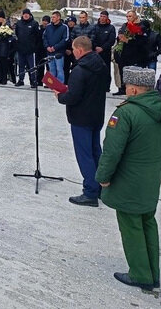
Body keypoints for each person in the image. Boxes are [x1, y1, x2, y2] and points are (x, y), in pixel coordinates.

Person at [95, 66, 161, 292]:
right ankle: (153, 272)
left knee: (131, 226)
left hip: (128, 180)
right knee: (148, 222)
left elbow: (112, 150)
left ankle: (141, 274)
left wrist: (103, 177)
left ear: (132, 89)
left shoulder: (126, 113)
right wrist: (160, 174)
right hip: (150, 180)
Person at [54, 36, 108, 206]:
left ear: (79, 50)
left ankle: (90, 192)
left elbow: (72, 97)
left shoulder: (80, 70)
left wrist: (60, 95)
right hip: (96, 114)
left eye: (73, 49)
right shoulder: (101, 65)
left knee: (84, 155)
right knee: (95, 151)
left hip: (81, 117)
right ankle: (100, 186)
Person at [15, 9, 40, 87]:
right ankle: (21, 80)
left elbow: (37, 36)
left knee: (31, 66)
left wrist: (34, 47)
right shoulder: (19, 23)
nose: (26, 15)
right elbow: (17, 34)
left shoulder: (34, 23)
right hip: (21, 48)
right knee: (21, 66)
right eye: (24, 14)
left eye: (27, 14)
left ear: (30, 15)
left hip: (30, 49)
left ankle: (33, 81)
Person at [92, 11, 116, 92]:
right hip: (95, 52)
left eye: (104, 16)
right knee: (95, 70)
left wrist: (102, 48)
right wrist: (95, 47)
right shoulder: (95, 27)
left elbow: (111, 41)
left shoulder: (111, 28)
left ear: (107, 18)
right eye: (101, 16)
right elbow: (92, 38)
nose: (102, 18)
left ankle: (106, 88)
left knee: (105, 71)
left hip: (105, 53)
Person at [43, 11, 69, 84]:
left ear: (58, 17)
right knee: (52, 69)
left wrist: (55, 47)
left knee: (59, 69)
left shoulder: (64, 27)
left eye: (54, 17)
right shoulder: (48, 26)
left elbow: (65, 39)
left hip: (59, 53)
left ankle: (60, 84)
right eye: (52, 17)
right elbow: (44, 37)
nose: (52, 19)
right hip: (49, 52)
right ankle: (52, 84)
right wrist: (47, 46)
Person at [0, 11, 15, 85]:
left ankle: (4, 78)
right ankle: (0, 78)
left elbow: (10, 34)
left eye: (0, 17)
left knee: (4, 63)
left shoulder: (7, 25)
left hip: (4, 46)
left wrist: (4, 26)